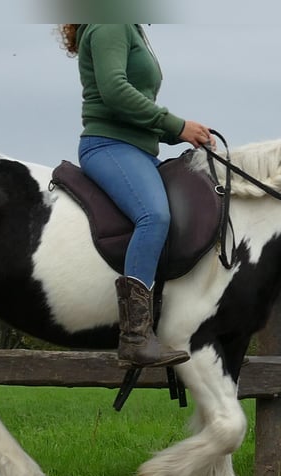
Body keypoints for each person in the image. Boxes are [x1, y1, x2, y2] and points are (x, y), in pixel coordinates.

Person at [58, 24, 214, 369]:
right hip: (110, 145)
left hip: (138, 149)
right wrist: (176, 125)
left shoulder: (129, 26)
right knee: (154, 216)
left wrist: (181, 134)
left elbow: (134, 105)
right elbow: (114, 92)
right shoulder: (109, 23)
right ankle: (135, 337)